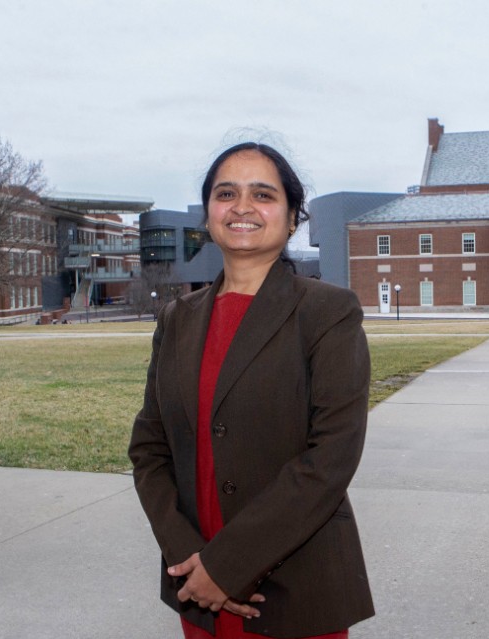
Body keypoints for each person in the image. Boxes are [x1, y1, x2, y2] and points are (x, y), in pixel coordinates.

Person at [129, 142, 374, 639]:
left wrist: (228, 566)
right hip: (197, 587)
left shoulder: (328, 312)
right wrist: (189, 560)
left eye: (262, 194)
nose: (242, 206)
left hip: (294, 586)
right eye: (226, 193)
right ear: (210, 215)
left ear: (291, 219)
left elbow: (329, 459)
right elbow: (149, 449)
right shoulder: (178, 318)